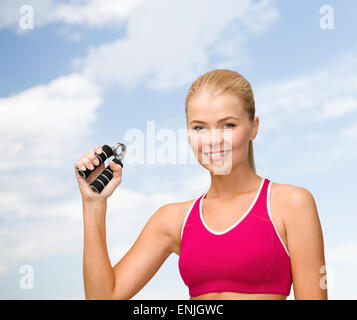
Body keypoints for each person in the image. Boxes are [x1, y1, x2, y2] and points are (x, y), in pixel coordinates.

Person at [74, 69, 328, 300]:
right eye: (199, 128)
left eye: (228, 125)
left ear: (253, 127)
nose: (213, 140)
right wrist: (93, 204)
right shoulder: (172, 219)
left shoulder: (291, 205)